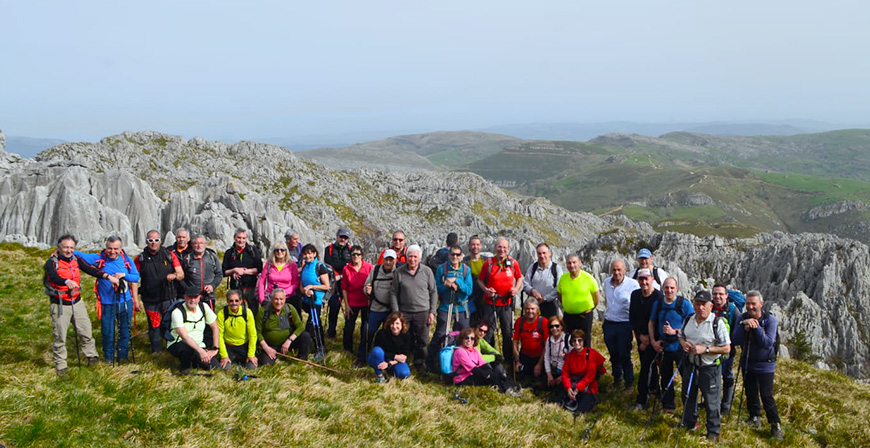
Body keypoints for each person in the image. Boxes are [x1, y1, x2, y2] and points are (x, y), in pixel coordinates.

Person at [45, 234, 107, 375]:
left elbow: (90, 269)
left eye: (71, 247)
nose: (68, 250)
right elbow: (53, 277)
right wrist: (66, 281)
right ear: (59, 248)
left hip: (77, 301)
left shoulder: (76, 260)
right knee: (60, 335)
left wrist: (107, 276)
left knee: (85, 330)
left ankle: (91, 357)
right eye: (65, 247)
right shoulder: (51, 262)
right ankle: (61, 365)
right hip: (60, 304)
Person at [75, 235, 140, 364]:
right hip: (106, 303)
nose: (112, 251)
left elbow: (136, 277)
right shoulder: (99, 258)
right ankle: (108, 358)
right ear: (106, 248)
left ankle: (123, 356)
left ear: (121, 248)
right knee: (107, 332)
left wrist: (124, 275)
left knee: (125, 331)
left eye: (116, 248)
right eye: (109, 248)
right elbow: (78, 254)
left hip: (125, 301)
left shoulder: (126, 260)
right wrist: (59, 251)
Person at [678, 290, 732, 443]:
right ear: (693, 305)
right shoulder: (689, 319)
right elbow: (681, 335)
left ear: (710, 306)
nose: (700, 307)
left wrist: (706, 350)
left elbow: (727, 348)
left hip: (710, 368)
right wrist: (684, 344)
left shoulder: (717, 323)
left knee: (711, 401)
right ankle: (690, 423)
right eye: (697, 304)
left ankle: (713, 431)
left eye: (704, 304)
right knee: (688, 395)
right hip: (691, 365)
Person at [731, 290, 783, 440]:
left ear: (761, 304)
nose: (750, 307)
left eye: (754, 304)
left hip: (766, 365)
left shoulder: (770, 320)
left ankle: (775, 424)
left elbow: (767, 343)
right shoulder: (742, 318)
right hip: (748, 362)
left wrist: (756, 328)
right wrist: (744, 326)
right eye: (748, 304)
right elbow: (735, 340)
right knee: (750, 391)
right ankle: (754, 417)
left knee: (766, 395)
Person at [135, 230, 185, 354]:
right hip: (149, 299)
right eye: (150, 240)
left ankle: (172, 349)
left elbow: (181, 274)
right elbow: (134, 280)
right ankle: (156, 351)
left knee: (170, 323)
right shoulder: (140, 258)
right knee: (154, 325)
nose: (153, 243)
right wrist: (135, 299)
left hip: (168, 297)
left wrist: (174, 275)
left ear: (160, 241)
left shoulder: (169, 255)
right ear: (146, 241)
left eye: (156, 240)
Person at [390, 244, 437, 374]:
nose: (412, 259)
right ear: (406, 257)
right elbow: (393, 293)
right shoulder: (399, 272)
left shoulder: (427, 272)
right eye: (410, 256)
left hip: (423, 312)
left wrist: (432, 312)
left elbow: (433, 292)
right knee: (405, 338)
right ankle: (403, 361)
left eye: (415, 257)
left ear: (420, 258)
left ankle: (420, 363)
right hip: (404, 312)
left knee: (422, 339)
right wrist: (396, 313)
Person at [648, 278, 693, 412]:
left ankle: (689, 405)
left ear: (677, 289)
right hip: (664, 347)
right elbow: (651, 323)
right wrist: (653, 341)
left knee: (686, 376)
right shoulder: (658, 304)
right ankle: (668, 405)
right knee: (665, 376)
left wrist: (675, 331)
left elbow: (692, 325)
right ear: (663, 289)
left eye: (672, 288)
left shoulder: (683, 304)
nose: (669, 290)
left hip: (680, 347)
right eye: (666, 288)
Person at [426, 244, 473, 371]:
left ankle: (462, 363)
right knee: (440, 333)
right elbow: (436, 289)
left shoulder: (465, 270)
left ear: (461, 256)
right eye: (453, 254)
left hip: (462, 308)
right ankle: (430, 361)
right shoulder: (442, 269)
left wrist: (458, 282)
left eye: (458, 254)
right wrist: (446, 285)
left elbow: (469, 290)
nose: (455, 257)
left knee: (463, 336)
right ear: (449, 255)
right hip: (446, 306)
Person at [477, 237, 523, 365]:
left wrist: (516, 289)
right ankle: (490, 359)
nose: (501, 250)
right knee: (488, 332)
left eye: (504, 247)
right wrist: (486, 290)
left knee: (507, 332)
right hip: (490, 302)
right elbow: (480, 280)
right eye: (499, 247)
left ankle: (508, 360)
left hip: (506, 304)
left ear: (508, 249)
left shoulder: (513, 263)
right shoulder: (488, 263)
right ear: (495, 248)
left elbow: (519, 278)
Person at [629, 268, 663, 410]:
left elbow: (659, 320)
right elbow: (632, 317)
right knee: (646, 366)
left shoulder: (659, 297)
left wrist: (650, 339)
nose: (643, 282)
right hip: (641, 337)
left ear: (652, 280)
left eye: (646, 279)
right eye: (641, 279)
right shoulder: (635, 295)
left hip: (657, 339)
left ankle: (651, 396)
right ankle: (648, 394)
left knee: (658, 367)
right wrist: (640, 337)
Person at [602, 258, 639, 390]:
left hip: (624, 324)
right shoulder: (606, 282)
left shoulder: (633, 284)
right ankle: (617, 378)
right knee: (613, 353)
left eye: (619, 269)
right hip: (609, 323)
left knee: (624, 353)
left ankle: (629, 382)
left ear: (625, 270)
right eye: (614, 270)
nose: (616, 272)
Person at [167, 286, 220, 373]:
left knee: (215, 368)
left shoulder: (204, 307)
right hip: (179, 343)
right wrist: (201, 351)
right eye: (189, 297)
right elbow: (184, 337)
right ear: (184, 297)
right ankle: (184, 368)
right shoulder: (177, 312)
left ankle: (195, 362)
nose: (192, 300)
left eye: (195, 297)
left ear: (199, 297)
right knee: (187, 351)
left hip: (199, 345)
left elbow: (215, 327)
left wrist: (215, 348)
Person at [452, 327, 520, 395]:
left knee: (496, 374)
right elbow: (472, 369)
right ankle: (508, 388)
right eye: (466, 338)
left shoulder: (474, 349)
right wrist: (487, 375)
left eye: (472, 338)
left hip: (473, 373)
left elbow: (482, 363)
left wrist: (489, 372)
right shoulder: (460, 352)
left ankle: (508, 386)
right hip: (463, 378)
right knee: (491, 378)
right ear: (462, 339)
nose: (469, 340)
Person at [256, 287, 312, 364]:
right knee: (265, 363)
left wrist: (289, 340)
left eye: (281, 299)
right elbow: (257, 332)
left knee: (306, 336)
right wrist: (266, 348)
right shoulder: (263, 311)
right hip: (270, 345)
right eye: (276, 299)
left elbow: (300, 326)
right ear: (271, 299)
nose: (279, 302)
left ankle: (302, 359)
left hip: (287, 342)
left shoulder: (290, 309)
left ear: (285, 300)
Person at [556, 254, 600, 347]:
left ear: (580, 263)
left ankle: (586, 360)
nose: (572, 265)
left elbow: (597, 298)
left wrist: (589, 309)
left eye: (574, 262)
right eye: (569, 263)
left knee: (585, 341)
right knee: (568, 341)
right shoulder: (563, 278)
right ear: (566, 264)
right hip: (568, 317)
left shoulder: (589, 278)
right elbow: (560, 296)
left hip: (584, 317)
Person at [561, 329, 607, 413]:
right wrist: (568, 388)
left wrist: (578, 388)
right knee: (559, 403)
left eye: (580, 340)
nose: (577, 343)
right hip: (573, 384)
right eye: (574, 341)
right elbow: (565, 373)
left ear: (584, 341)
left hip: (587, 386)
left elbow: (590, 375)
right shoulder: (570, 355)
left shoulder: (590, 354)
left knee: (582, 410)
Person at [342, 246, 373, 365]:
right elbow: (344, 288)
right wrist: (347, 305)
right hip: (352, 302)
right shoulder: (346, 268)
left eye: (358, 254)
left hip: (366, 302)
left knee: (365, 327)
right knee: (349, 326)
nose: (356, 256)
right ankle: (347, 349)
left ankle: (363, 350)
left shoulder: (369, 267)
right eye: (353, 254)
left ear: (362, 256)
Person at [712, 283, 740, 415]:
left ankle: (726, 406)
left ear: (726, 296)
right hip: (711, 349)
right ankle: (713, 403)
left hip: (727, 350)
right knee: (712, 376)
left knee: (727, 376)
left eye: (720, 294)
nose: (718, 296)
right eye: (715, 294)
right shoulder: (709, 307)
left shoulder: (733, 310)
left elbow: (738, 330)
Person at [299, 244, 331, 359]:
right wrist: (304, 291)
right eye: (305, 253)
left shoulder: (319, 266)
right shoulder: (305, 266)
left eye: (310, 253)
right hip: (306, 300)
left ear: (314, 254)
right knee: (316, 324)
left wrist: (312, 287)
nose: (307, 256)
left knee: (312, 325)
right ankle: (318, 346)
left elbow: (326, 286)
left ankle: (320, 348)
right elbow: (301, 285)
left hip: (317, 301)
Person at [222, 228, 263, 315]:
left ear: (246, 238)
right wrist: (234, 270)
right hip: (235, 288)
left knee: (253, 312)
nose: (241, 240)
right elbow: (224, 272)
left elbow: (259, 269)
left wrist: (244, 271)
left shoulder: (253, 251)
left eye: (243, 238)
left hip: (251, 288)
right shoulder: (229, 253)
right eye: (239, 238)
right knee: (237, 312)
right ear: (234, 238)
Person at [364, 249, 397, 349]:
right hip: (376, 308)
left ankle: (384, 356)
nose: (388, 262)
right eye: (386, 259)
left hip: (391, 310)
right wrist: (367, 290)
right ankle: (362, 356)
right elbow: (366, 285)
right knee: (368, 332)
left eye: (391, 260)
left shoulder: (398, 272)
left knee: (387, 335)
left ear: (395, 261)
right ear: (383, 259)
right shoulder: (376, 270)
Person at [217, 289, 258, 370]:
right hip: (228, 345)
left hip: (244, 345)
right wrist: (224, 356)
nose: (234, 303)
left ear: (241, 301)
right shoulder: (221, 314)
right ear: (227, 301)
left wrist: (251, 354)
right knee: (225, 368)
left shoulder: (247, 313)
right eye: (231, 301)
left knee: (252, 367)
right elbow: (219, 336)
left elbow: (252, 335)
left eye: (236, 300)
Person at [324, 227, 353, 338]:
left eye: (345, 238)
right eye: (341, 237)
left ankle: (347, 332)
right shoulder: (329, 249)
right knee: (334, 307)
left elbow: (350, 265)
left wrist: (341, 268)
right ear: (337, 236)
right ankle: (331, 332)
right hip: (334, 283)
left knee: (349, 308)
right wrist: (343, 265)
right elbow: (329, 264)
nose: (343, 239)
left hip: (347, 283)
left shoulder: (351, 250)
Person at [368, 312, 413, 383]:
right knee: (377, 351)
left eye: (397, 323)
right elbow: (378, 351)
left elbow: (404, 356)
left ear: (402, 324)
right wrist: (395, 356)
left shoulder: (407, 335)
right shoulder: (382, 333)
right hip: (382, 357)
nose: (394, 326)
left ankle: (389, 371)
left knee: (405, 373)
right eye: (392, 323)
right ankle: (379, 375)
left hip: (396, 361)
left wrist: (389, 363)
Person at [181, 235, 222, 310]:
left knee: (209, 320)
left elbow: (219, 274)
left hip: (209, 296)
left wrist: (212, 286)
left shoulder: (212, 257)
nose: (199, 245)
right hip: (192, 298)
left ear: (205, 244)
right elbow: (181, 277)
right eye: (196, 243)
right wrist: (188, 289)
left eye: (201, 243)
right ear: (192, 245)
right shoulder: (187, 259)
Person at [523, 243, 564, 320]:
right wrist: (532, 290)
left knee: (550, 329)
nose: (542, 256)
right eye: (539, 253)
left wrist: (545, 298)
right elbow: (526, 283)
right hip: (534, 306)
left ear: (549, 253)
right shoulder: (532, 267)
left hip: (551, 306)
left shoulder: (556, 269)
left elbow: (559, 287)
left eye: (544, 253)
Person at [512, 298, 549, 383]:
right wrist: (517, 361)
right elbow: (515, 342)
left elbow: (547, 345)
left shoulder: (543, 322)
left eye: (532, 309)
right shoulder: (519, 321)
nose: (530, 311)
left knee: (539, 378)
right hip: (525, 356)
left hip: (539, 357)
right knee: (519, 376)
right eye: (527, 309)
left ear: (537, 310)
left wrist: (539, 364)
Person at [258, 241, 301, 313]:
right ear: (274, 252)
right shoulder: (269, 264)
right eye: (277, 250)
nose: (279, 252)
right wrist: (262, 299)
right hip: (271, 297)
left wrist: (285, 292)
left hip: (288, 298)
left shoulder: (292, 264)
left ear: (286, 251)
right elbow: (262, 281)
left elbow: (296, 282)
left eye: (282, 250)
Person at [463, 235, 490, 321]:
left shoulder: (486, 261)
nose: (475, 247)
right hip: (470, 298)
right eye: (473, 244)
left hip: (484, 297)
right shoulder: (464, 261)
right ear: (469, 246)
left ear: (481, 246)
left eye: (477, 244)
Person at [543, 315, 568, 390]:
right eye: (551, 327)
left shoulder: (567, 339)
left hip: (564, 371)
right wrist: (549, 375)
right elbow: (546, 357)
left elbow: (572, 360)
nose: (554, 329)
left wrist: (563, 376)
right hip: (552, 369)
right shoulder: (549, 340)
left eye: (557, 326)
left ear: (562, 327)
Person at [168, 228, 192, 299]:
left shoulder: (194, 251)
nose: (181, 239)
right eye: (179, 237)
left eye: (184, 237)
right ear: (176, 238)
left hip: (190, 286)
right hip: (174, 288)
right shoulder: (169, 251)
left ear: (188, 239)